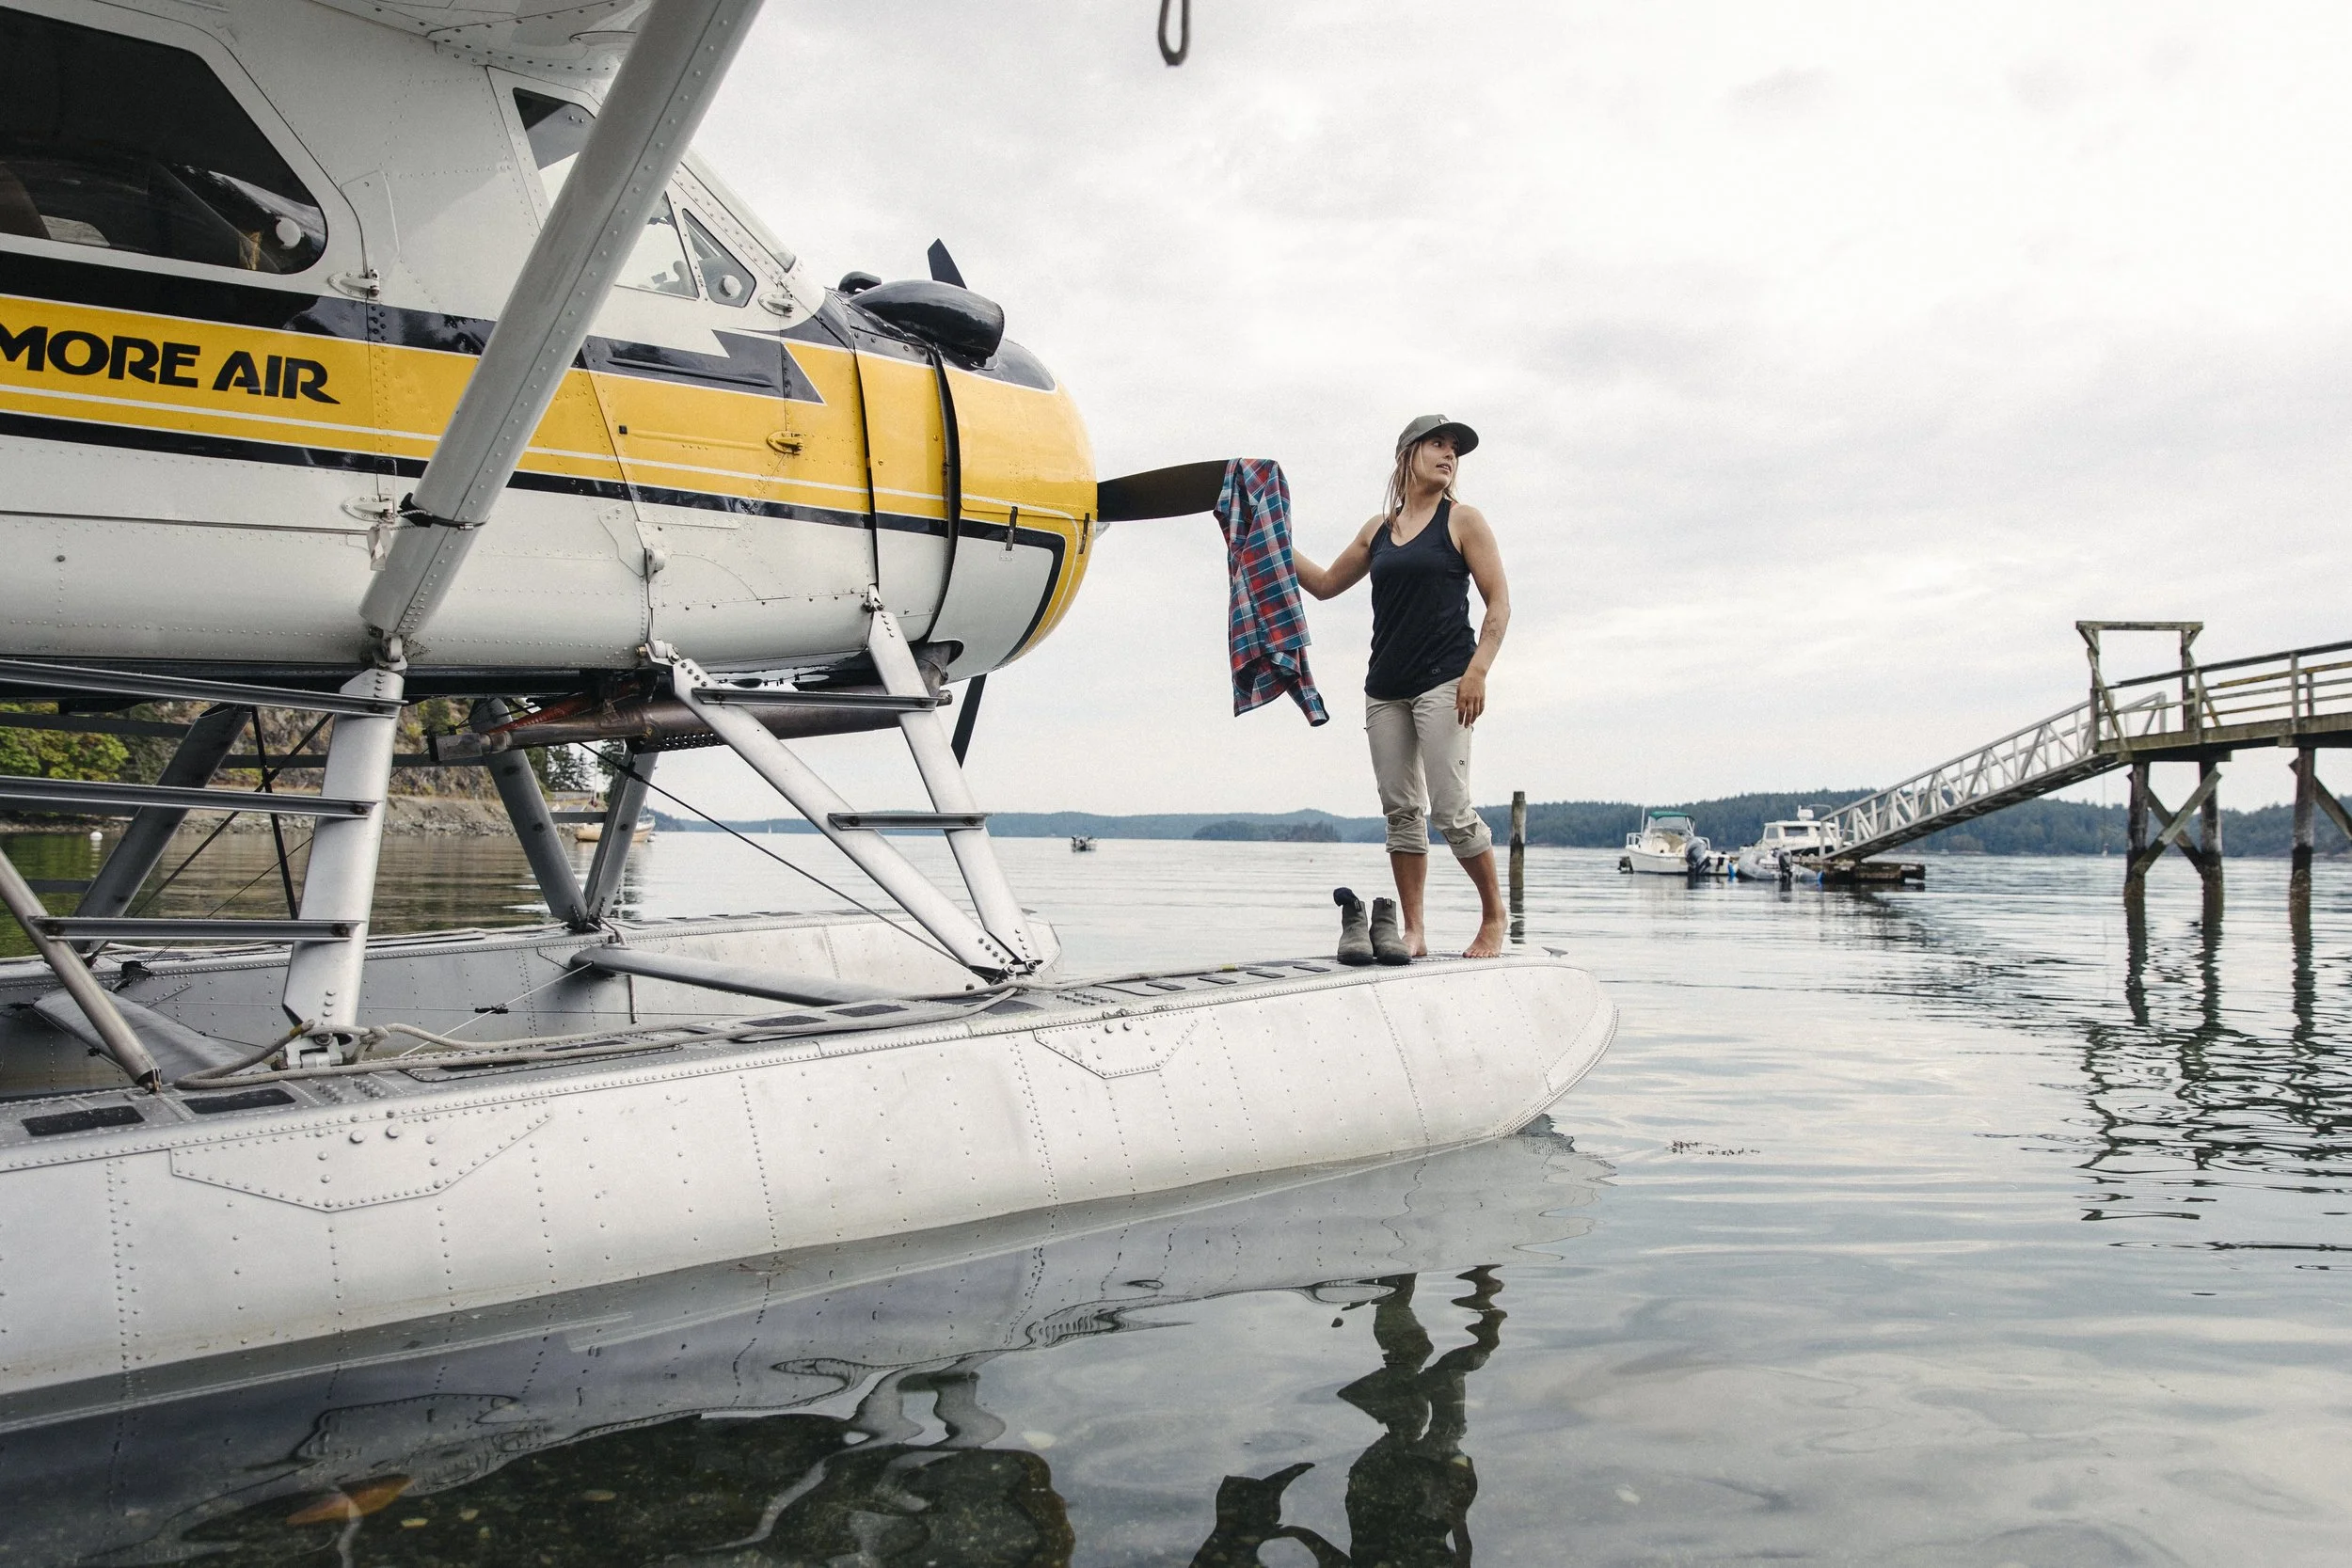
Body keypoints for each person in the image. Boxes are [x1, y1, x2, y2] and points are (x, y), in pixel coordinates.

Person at [1294, 416, 1511, 959]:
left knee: (1452, 810)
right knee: (1401, 812)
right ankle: (1414, 930)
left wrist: (1478, 670)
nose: (1449, 454)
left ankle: (1494, 917)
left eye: (1455, 448)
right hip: (1385, 687)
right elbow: (1322, 585)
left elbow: (1498, 603)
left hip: (1446, 680)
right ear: (1408, 454)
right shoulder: (1379, 530)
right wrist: (1270, 544)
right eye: (1438, 444)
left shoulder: (1463, 521)